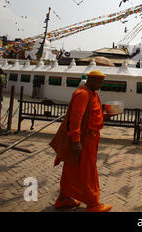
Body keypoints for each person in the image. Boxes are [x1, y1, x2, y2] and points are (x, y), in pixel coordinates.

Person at [53, 70, 113, 212]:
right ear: (91, 80)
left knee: (71, 168)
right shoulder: (83, 94)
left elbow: (90, 116)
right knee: (88, 170)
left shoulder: (93, 94)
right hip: (83, 139)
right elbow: (76, 119)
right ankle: (93, 204)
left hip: (90, 138)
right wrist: (76, 141)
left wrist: (104, 116)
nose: (101, 84)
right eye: (99, 81)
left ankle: (63, 198)